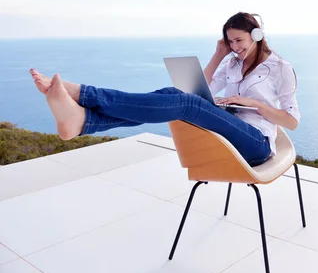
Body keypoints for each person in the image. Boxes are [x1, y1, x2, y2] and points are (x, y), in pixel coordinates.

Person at [29, 12, 300, 167]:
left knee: (184, 104)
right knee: (173, 96)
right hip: (229, 130)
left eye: (239, 40)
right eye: (229, 42)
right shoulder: (230, 63)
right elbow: (192, 91)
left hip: (257, 144)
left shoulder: (280, 68)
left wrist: (252, 104)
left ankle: (85, 97)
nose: (234, 47)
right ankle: (83, 121)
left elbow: (291, 121)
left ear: (256, 36)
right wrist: (218, 56)